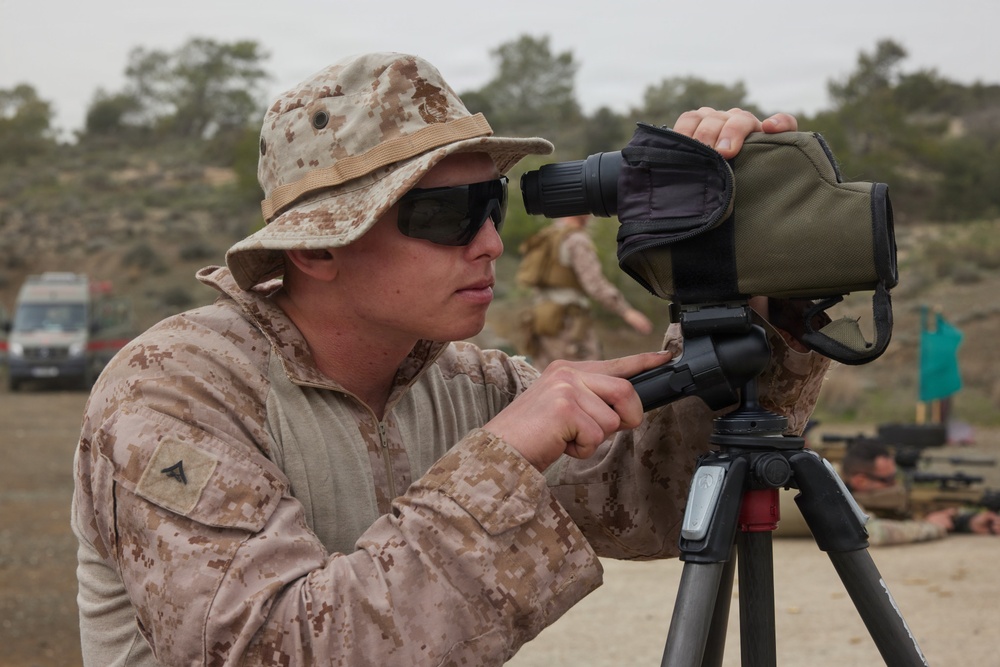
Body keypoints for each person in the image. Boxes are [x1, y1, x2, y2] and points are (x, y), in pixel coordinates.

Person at [71, 51, 830, 666]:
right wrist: (499, 463)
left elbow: (663, 494)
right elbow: (276, 648)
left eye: (493, 204)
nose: (491, 242)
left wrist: (767, 280)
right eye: (446, 216)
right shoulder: (174, 390)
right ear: (317, 244)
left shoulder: (466, 382)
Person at [515, 213, 653, 368]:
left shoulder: (549, 234)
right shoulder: (576, 240)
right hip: (567, 324)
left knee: (546, 378)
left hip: (541, 319)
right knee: (586, 374)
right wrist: (626, 311)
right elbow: (594, 284)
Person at [840, 439, 1000, 545]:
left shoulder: (864, 494)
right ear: (860, 481)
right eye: (888, 479)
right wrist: (930, 527)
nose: (896, 484)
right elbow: (872, 532)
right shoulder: (828, 487)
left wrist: (968, 522)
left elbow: (906, 513)